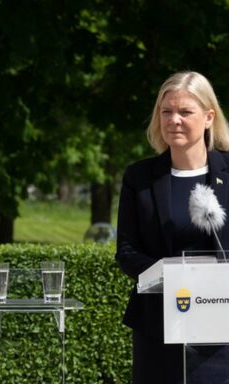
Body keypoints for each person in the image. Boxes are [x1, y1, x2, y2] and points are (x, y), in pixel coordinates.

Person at [116, 71, 229, 383]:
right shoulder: (139, 177)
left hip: (221, 328)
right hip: (158, 324)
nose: (173, 120)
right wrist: (171, 275)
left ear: (208, 117)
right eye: (166, 111)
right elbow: (126, 251)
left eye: (185, 112)